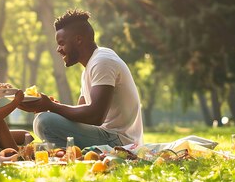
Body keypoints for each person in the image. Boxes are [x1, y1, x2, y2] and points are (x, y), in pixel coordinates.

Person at [19, 9, 144, 148]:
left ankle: (58, 149)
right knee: (43, 119)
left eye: (61, 43)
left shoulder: (103, 61)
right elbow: (82, 115)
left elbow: (95, 116)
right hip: (105, 135)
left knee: (44, 121)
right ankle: (61, 150)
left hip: (119, 140)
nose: (58, 49)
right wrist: (50, 107)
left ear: (78, 39)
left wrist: (51, 106)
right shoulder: (89, 68)